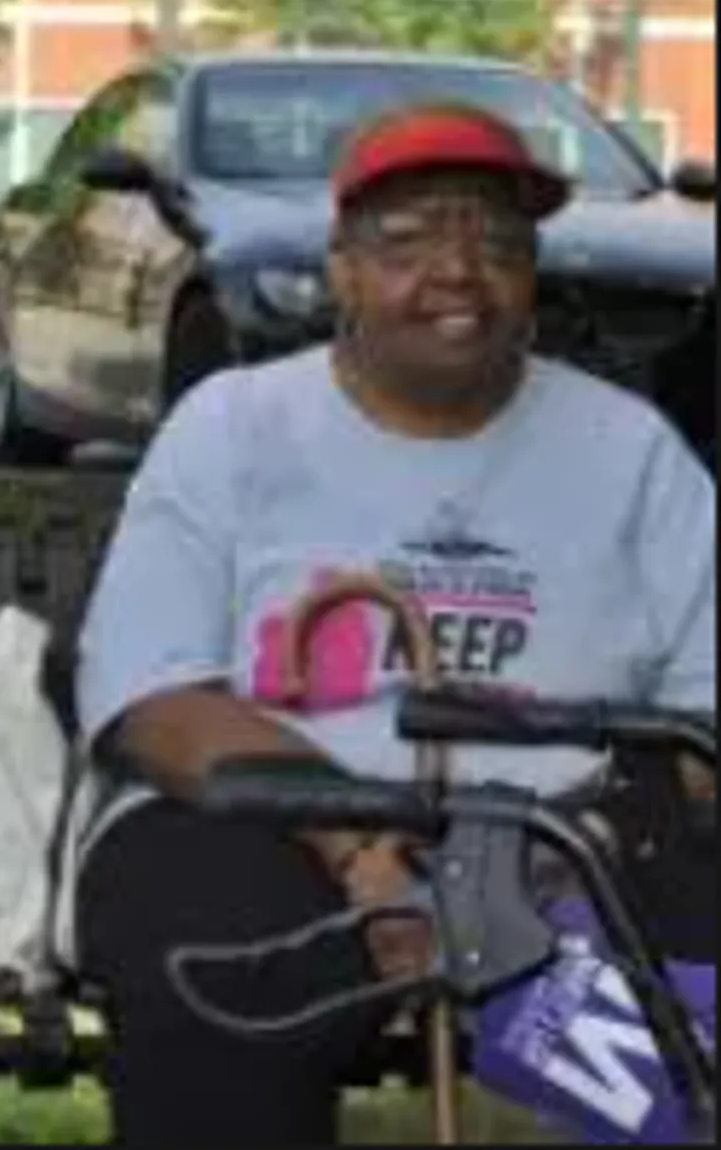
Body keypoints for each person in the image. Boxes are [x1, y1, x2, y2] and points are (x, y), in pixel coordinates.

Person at [66, 103, 716, 1146]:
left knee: (679, 995)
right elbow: (154, 697)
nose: (459, 270)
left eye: (499, 242)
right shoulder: (235, 427)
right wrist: (370, 852)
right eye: (409, 239)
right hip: (274, 824)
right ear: (343, 270)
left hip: (573, 838)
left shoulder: (628, 449)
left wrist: (545, 861)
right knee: (207, 956)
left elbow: (704, 720)